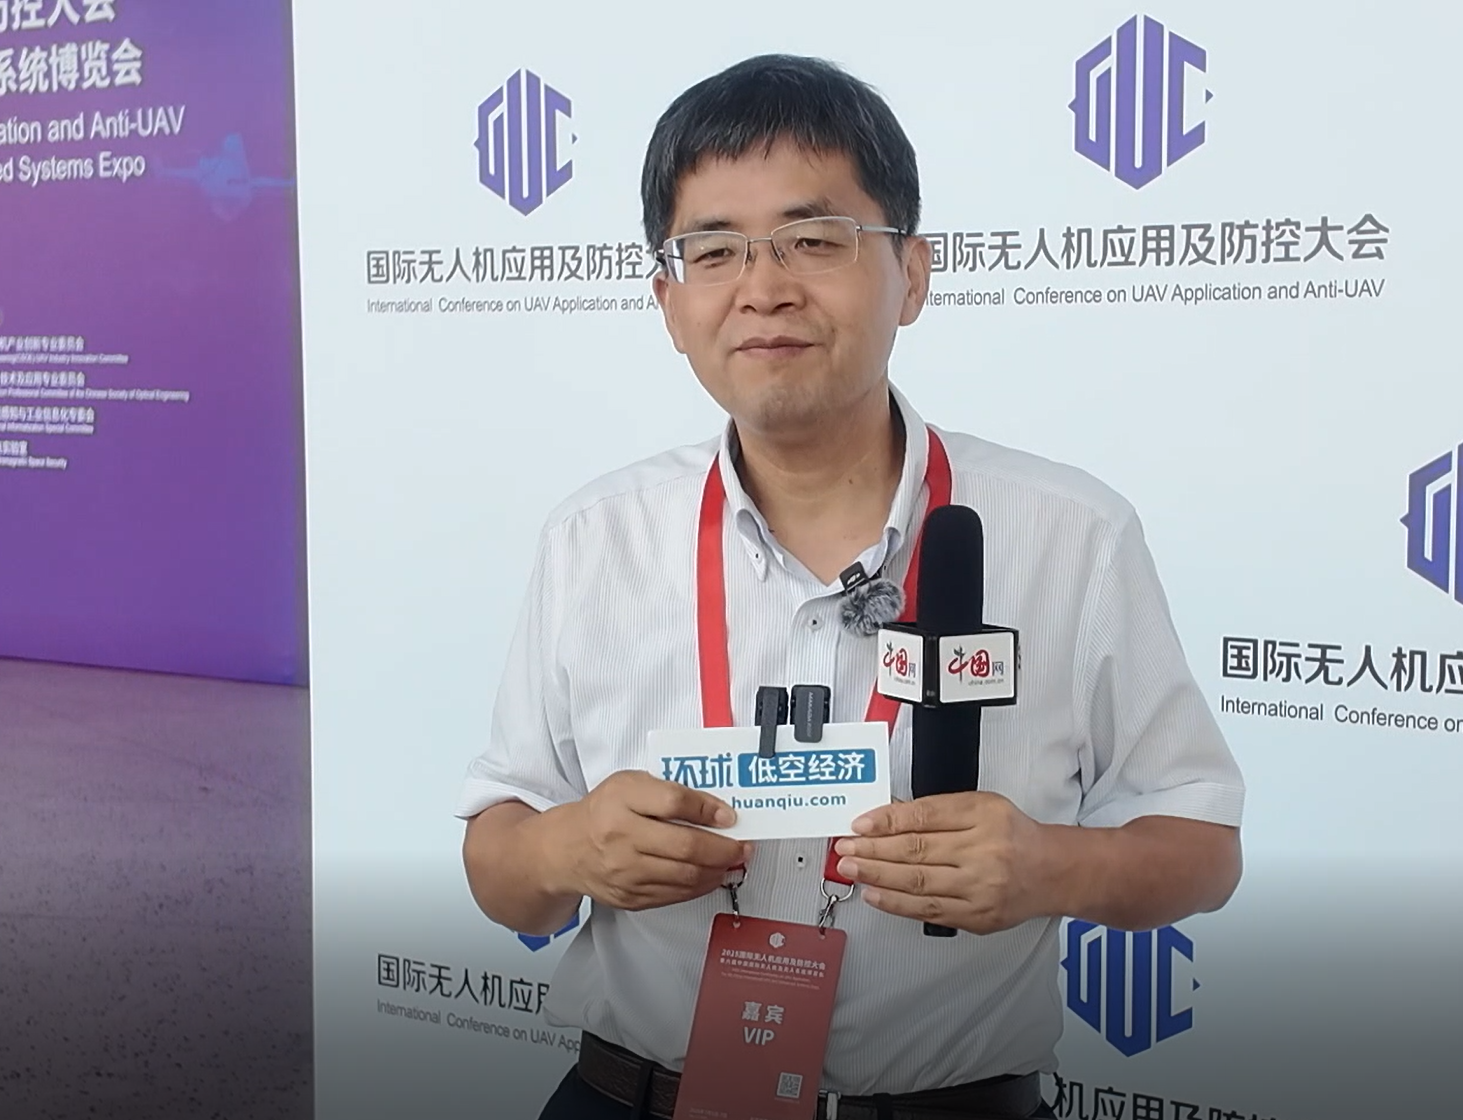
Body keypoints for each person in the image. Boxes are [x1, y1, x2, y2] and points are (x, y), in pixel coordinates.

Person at [457, 54, 1245, 1120]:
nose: (763, 287)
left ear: (911, 273)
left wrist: (1050, 869)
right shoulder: (595, 539)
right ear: (668, 301)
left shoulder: (1073, 535)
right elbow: (499, 867)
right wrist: (567, 847)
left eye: (813, 239)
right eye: (714, 250)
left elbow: (1199, 848)